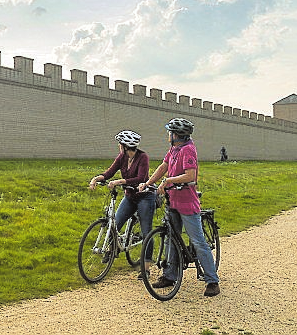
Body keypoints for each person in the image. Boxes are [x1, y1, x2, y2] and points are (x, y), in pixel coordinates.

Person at [139, 118, 220, 297]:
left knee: (198, 241)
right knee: (169, 239)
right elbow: (164, 166)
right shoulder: (174, 149)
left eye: (170, 132)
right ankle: (170, 275)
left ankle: (212, 280)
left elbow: (190, 175)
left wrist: (169, 181)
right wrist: (148, 182)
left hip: (186, 203)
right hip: (172, 200)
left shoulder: (188, 150)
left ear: (176, 135)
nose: (168, 135)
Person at [89, 130, 155, 278]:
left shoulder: (143, 157)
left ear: (126, 146)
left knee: (146, 232)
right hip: (130, 197)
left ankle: (146, 267)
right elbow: (109, 173)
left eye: (120, 144)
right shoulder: (122, 158)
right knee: (115, 224)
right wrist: (96, 179)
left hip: (145, 197)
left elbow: (141, 178)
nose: (119, 147)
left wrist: (120, 182)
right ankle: (113, 250)